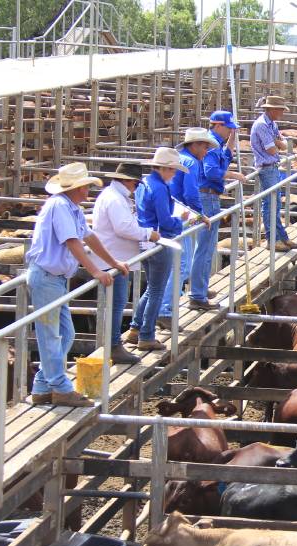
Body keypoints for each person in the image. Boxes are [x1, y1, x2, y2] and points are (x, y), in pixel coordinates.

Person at [25, 162, 129, 407]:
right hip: (48, 278)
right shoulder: (60, 206)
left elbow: (89, 237)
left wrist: (113, 261)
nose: (87, 191)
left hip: (55, 279)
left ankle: (42, 386)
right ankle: (60, 388)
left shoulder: (71, 208)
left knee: (65, 333)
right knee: (51, 335)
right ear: (75, 188)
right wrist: (95, 271)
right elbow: (72, 241)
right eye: (84, 187)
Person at [87, 162, 158, 365]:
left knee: (117, 303)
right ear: (127, 181)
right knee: (117, 303)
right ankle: (113, 345)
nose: (135, 188)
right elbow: (123, 227)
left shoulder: (113, 197)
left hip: (114, 257)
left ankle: (114, 343)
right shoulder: (115, 199)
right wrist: (148, 234)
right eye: (135, 184)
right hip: (113, 258)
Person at [132, 147, 189, 352]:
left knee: (151, 288)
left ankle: (135, 328)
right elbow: (165, 220)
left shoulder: (143, 184)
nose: (174, 174)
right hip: (159, 240)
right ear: (164, 169)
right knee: (157, 289)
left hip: (144, 240)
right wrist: (179, 222)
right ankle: (146, 335)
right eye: (172, 170)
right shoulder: (160, 188)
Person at [161, 127, 218, 321]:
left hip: (171, 213)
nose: (206, 151)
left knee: (175, 264)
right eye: (204, 147)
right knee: (182, 264)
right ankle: (165, 309)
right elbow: (191, 193)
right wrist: (201, 214)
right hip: (181, 216)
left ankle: (162, 309)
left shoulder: (180, 159)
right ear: (194, 145)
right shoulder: (191, 163)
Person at [192, 110, 245, 309]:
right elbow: (212, 171)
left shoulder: (215, 143)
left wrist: (232, 137)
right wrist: (234, 175)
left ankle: (201, 288)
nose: (230, 131)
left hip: (208, 195)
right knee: (205, 247)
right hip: (207, 196)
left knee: (207, 246)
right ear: (218, 125)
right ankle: (197, 294)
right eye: (229, 128)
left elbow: (226, 157)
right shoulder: (211, 145)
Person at [250, 95, 293, 252]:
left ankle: (282, 237)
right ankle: (273, 240)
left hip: (272, 166)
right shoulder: (262, 125)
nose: (282, 112)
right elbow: (273, 148)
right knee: (270, 204)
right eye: (280, 109)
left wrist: (276, 142)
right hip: (267, 167)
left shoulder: (271, 124)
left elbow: (283, 144)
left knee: (275, 203)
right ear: (272, 109)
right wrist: (277, 143)